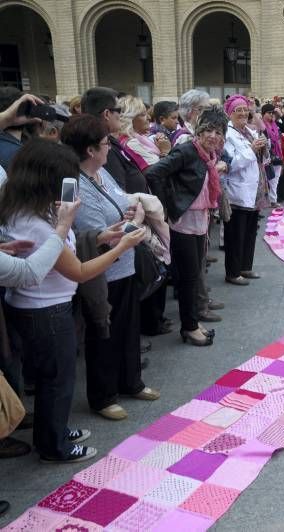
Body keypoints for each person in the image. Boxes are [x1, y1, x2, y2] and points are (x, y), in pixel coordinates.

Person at [1, 139, 147, 462]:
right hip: (45, 311)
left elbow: (64, 251)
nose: (73, 188)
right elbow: (79, 270)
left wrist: (103, 236)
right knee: (58, 381)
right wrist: (122, 247)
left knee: (52, 379)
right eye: (67, 180)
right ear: (45, 179)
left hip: (39, 307)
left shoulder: (29, 209)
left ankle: (54, 430)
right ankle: (54, 446)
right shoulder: (37, 223)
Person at [58, 115, 160, 422]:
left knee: (128, 328)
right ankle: (102, 396)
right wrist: (121, 226)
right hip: (98, 268)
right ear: (90, 150)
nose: (109, 148)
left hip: (124, 260)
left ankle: (131, 381)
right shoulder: (69, 182)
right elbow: (71, 229)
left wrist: (130, 212)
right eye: (105, 144)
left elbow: (121, 202)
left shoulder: (102, 173)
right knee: (103, 332)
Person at [146, 107, 228, 347]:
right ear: (199, 132)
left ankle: (191, 322)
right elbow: (154, 174)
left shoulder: (208, 154)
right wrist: (168, 206)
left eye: (218, 131)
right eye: (208, 130)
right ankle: (189, 327)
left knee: (193, 275)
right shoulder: (187, 151)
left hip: (200, 221)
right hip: (183, 223)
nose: (213, 135)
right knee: (188, 278)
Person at [222, 95, 263, 287]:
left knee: (249, 232)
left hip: (253, 190)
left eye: (245, 110)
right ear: (229, 114)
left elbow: (258, 157)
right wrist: (252, 150)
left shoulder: (248, 131)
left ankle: (246, 266)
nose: (243, 114)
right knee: (236, 235)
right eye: (238, 110)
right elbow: (231, 164)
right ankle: (232, 271)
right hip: (237, 191)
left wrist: (264, 147)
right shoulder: (227, 135)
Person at [81, 87, 148, 194]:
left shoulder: (108, 141)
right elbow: (118, 193)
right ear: (107, 114)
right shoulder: (102, 147)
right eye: (118, 110)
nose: (121, 115)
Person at [118, 95, 170, 171]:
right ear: (130, 118)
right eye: (143, 115)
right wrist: (165, 151)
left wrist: (158, 144)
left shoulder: (139, 138)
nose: (149, 117)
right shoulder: (131, 143)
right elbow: (156, 172)